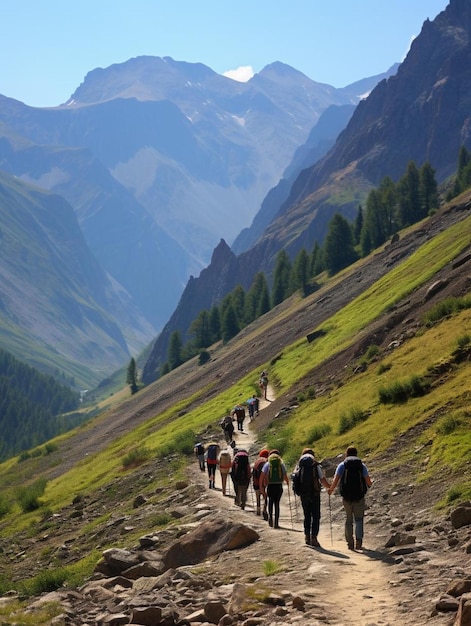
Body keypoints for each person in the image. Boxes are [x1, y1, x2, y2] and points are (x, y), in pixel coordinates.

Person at [328, 446, 372, 550]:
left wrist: (331, 490)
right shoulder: (362, 465)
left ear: (346, 454)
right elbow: (368, 481)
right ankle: (359, 542)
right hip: (359, 496)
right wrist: (370, 484)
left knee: (348, 520)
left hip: (346, 497)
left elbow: (336, 479)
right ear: (356, 454)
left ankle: (350, 543)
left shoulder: (342, 465)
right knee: (359, 519)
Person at [292, 448, 331, 547]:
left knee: (307, 515)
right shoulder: (315, 464)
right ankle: (314, 537)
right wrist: (330, 488)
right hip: (315, 494)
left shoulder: (299, 464)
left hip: (304, 494)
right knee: (316, 516)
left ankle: (307, 536)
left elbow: (294, 477)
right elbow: (322, 479)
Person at [260, 449, 289, 528]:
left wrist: (261, 486)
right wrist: (288, 483)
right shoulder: (281, 464)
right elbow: (285, 476)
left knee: (270, 502)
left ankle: (270, 520)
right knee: (277, 504)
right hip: (279, 486)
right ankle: (276, 522)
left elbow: (262, 476)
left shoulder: (267, 464)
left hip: (270, 486)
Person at [252, 448, 269, 518]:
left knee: (257, 497)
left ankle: (258, 509)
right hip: (264, 484)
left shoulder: (257, 462)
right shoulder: (266, 462)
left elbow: (253, 472)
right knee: (266, 498)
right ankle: (264, 510)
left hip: (256, 483)